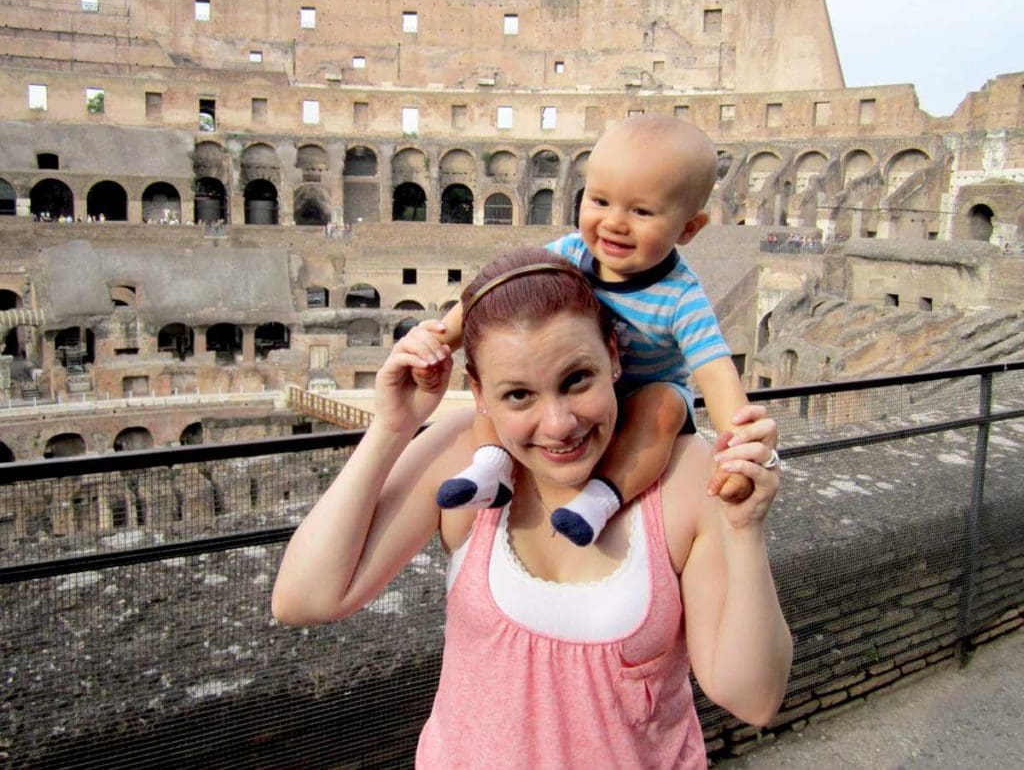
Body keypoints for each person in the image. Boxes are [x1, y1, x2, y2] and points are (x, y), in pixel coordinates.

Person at [272, 248, 791, 769]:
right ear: (478, 392)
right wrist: (392, 427)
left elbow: (753, 698)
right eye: (519, 395)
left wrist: (745, 531)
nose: (559, 423)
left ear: (614, 355)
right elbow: (303, 598)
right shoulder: (464, 457)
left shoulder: (683, 477)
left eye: (576, 380)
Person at [423, 115, 762, 546]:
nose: (615, 222)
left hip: (640, 393)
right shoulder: (571, 251)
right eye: (599, 201)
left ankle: (601, 498)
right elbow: (491, 293)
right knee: (501, 381)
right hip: (576, 386)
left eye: (640, 211)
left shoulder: (680, 298)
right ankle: (492, 466)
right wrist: (439, 339)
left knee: (665, 405)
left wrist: (740, 447)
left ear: (689, 228)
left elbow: (715, 372)